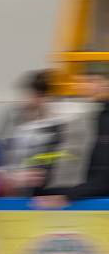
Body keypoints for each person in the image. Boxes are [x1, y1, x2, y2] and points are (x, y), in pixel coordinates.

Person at [0, 70, 84, 196]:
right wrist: (8, 176)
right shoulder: (13, 119)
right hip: (12, 194)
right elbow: (1, 154)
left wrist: (40, 175)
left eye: (39, 95)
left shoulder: (63, 125)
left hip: (46, 195)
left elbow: (66, 161)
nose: (29, 100)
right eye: (28, 94)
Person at [34, 70, 109, 208]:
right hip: (80, 195)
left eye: (92, 81)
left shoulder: (100, 120)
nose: (84, 87)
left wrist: (70, 195)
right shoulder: (93, 115)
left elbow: (103, 172)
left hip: (92, 200)